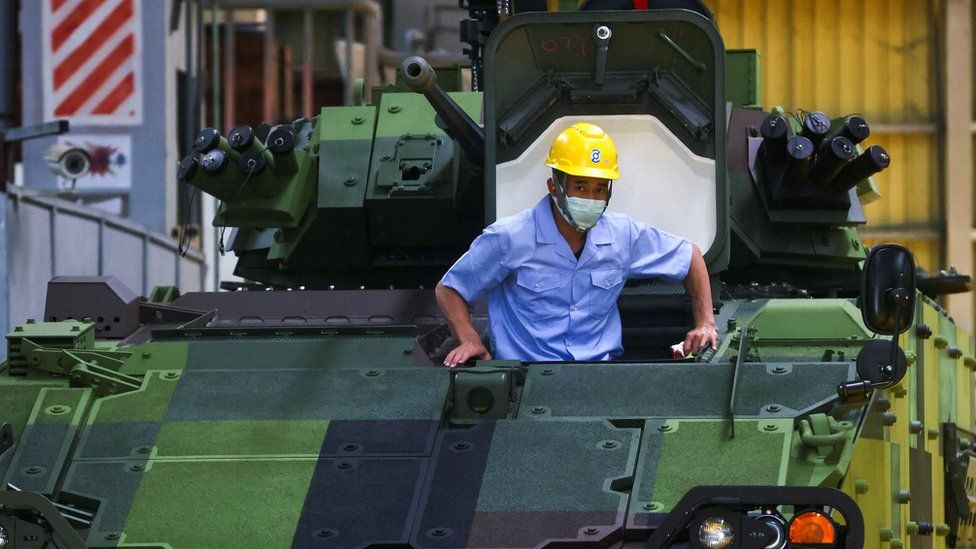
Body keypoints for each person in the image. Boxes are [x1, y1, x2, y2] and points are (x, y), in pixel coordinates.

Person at [435, 122, 717, 366]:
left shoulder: (623, 236)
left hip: (597, 377)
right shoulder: (509, 237)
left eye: (599, 189)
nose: (591, 198)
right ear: (554, 187)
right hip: (523, 379)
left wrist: (705, 323)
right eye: (580, 187)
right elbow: (450, 289)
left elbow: (689, 255)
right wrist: (470, 340)